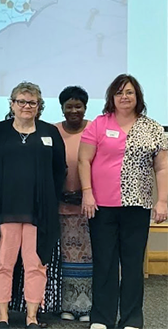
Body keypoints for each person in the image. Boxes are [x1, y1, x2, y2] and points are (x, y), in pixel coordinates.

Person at [78, 74, 167, 329]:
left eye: (129, 92)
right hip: (102, 206)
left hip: (137, 206)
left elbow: (162, 168)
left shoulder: (153, 127)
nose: (124, 97)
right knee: (104, 263)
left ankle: (131, 319)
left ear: (137, 96)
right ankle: (102, 318)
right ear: (111, 98)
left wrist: (163, 201)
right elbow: (84, 160)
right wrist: (87, 191)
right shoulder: (98, 124)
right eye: (119, 93)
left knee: (132, 264)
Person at [0, 82, 66, 329]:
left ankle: (32, 316)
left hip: (39, 211)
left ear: (39, 106)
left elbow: (59, 170)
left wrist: (50, 199)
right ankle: (2, 315)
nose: (26, 106)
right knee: (2, 262)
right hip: (4, 209)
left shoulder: (50, 133)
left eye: (32, 102)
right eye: (21, 101)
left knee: (36, 263)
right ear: (12, 104)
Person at [54, 86, 92, 322]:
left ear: (85, 107)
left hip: (90, 206)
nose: (74, 110)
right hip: (60, 204)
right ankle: (66, 305)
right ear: (63, 108)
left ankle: (87, 306)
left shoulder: (95, 129)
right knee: (65, 258)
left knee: (89, 257)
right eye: (69, 106)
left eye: (78, 106)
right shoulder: (54, 131)